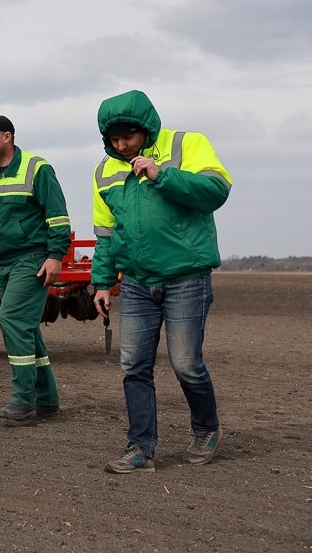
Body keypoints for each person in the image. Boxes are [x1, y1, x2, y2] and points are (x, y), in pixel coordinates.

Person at [91, 90, 232, 473]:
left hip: (186, 276)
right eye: (114, 139)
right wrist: (102, 283)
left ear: (145, 128)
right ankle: (140, 448)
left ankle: (207, 429)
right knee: (134, 365)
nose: (121, 145)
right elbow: (106, 234)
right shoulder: (104, 170)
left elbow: (216, 191)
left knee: (185, 362)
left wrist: (162, 176)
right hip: (136, 281)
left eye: (128, 137)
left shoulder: (187, 145)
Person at [0, 115, 71, 423]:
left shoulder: (37, 168)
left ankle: (24, 400)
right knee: (26, 327)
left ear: (7, 137)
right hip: (3, 262)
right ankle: (47, 401)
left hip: (32, 259)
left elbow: (58, 215)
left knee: (12, 319)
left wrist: (56, 255)